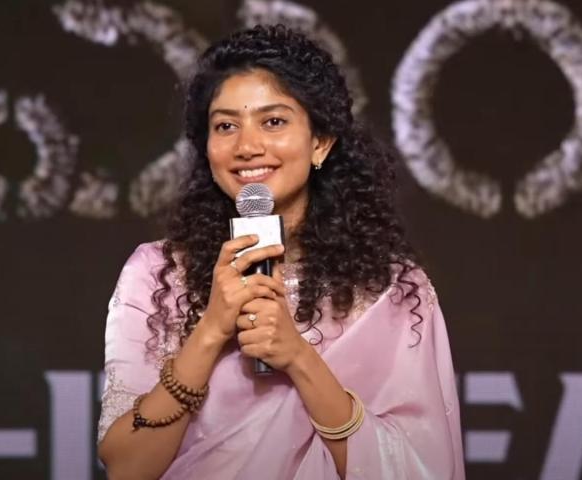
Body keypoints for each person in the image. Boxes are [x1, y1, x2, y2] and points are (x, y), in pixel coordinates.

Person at [96, 24, 464, 480]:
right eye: (225, 126)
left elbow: (418, 470)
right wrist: (210, 330)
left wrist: (298, 357)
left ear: (320, 142)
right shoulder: (158, 275)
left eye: (273, 122)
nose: (247, 147)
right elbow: (126, 468)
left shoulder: (389, 291)